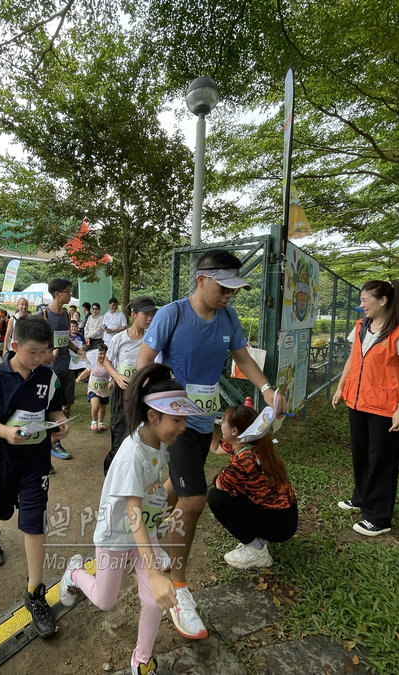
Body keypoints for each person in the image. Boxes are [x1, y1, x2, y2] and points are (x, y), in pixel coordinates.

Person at [136, 250, 279, 640]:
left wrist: (267, 388)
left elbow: (243, 359)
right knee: (195, 500)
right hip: (176, 422)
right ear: (202, 280)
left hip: (204, 420)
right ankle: (178, 588)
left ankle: (142, 524)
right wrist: (160, 407)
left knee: (179, 483)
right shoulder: (172, 315)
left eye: (234, 290)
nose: (229, 296)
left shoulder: (228, 318)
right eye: (224, 288)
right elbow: (144, 362)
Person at [60, 364, 205, 675]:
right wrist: (154, 572)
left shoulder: (159, 440)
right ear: (153, 416)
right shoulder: (131, 456)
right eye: (177, 420)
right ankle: (74, 573)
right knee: (105, 600)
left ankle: (141, 659)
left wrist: (162, 505)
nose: (182, 427)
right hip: (116, 536)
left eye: (184, 420)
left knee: (154, 601)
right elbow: (132, 514)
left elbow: (153, 490)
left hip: (143, 532)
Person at [0, 316, 70, 637]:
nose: (39, 358)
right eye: (32, 352)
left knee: (34, 519)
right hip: (1, 458)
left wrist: (60, 422)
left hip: (35, 461)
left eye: (45, 352)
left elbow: (53, 409)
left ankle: (34, 592)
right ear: (15, 346)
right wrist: (6, 432)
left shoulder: (48, 376)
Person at [332, 280, 399, 537]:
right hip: (357, 401)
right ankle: (361, 497)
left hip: (385, 406)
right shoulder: (361, 326)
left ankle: (379, 518)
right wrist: (341, 386)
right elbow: (352, 358)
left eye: (365, 300)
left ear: (383, 301)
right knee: (361, 454)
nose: (362, 305)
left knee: (381, 460)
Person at [208, 405, 298, 569]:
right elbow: (216, 447)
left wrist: (220, 478)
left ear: (234, 431)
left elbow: (219, 485)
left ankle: (256, 551)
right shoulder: (249, 442)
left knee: (216, 498)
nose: (220, 424)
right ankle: (260, 538)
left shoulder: (244, 459)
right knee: (233, 490)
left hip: (279, 526)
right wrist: (204, 423)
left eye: (223, 422)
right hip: (285, 515)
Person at [104, 296, 157, 473]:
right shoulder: (119, 338)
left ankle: (137, 471)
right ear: (133, 314)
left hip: (144, 393)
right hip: (123, 391)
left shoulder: (152, 339)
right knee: (119, 432)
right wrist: (117, 376)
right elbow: (106, 361)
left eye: (152, 315)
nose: (150, 318)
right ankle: (112, 472)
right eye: (146, 314)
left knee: (141, 432)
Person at [36, 278, 86, 461]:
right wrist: (48, 353)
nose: (70, 295)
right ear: (57, 294)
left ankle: (56, 440)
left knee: (67, 405)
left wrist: (77, 350)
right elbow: (34, 343)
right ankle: (47, 443)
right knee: (51, 407)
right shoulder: (42, 315)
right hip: (49, 370)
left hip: (67, 367)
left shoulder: (65, 315)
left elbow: (65, 340)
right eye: (67, 291)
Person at [77, 343, 111, 432]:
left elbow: (113, 374)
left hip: (104, 391)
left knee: (103, 408)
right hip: (93, 390)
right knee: (95, 406)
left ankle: (100, 422)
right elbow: (86, 372)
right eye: (100, 353)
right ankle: (94, 421)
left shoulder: (109, 365)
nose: (102, 356)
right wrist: (80, 377)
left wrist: (112, 383)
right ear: (96, 354)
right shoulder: (93, 364)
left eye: (104, 354)